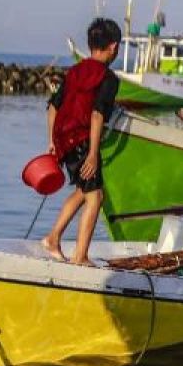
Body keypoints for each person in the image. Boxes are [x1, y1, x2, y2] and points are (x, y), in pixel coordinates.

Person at [41, 18, 122, 264]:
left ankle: (53, 238)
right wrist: (92, 154)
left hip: (64, 139)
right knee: (95, 197)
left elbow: (53, 108)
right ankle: (80, 257)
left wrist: (52, 141)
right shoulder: (108, 78)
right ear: (114, 47)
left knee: (82, 191)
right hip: (82, 140)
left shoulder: (75, 71)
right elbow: (97, 114)